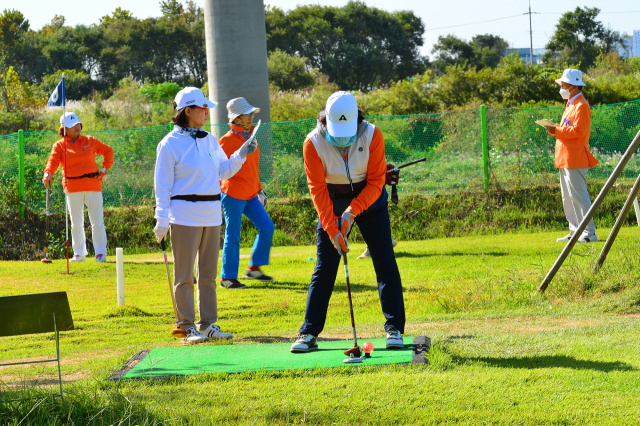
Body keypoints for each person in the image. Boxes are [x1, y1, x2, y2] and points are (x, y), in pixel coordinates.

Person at [290, 91, 406, 353]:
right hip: (332, 200)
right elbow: (317, 189)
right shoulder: (313, 142)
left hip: (370, 198)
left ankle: (394, 327)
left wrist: (352, 213)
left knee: (385, 260)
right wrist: (333, 228)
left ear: (357, 119)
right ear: (325, 120)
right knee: (325, 266)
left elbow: (377, 182)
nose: (343, 142)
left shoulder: (372, 134)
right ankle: (308, 332)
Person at [153, 87, 257, 343]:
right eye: (202, 107)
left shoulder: (209, 139)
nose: (207, 111)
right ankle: (187, 325)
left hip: (211, 214)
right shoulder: (169, 144)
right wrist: (162, 219)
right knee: (185, 275)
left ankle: (208, 324)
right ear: (188, 111)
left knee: (209, 274)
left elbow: (223, 171)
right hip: (184, 215)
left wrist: (241, 154)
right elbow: (162, 184)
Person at [218, 97, 275, 289]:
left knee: (267, 227)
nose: (251, 117)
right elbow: (219, 169)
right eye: (247, 114)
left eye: (251, 114)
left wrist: (259, 189)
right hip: (232, 194)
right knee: (233, 235)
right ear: (237, 119)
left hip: (251, 194)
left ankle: (253, 269)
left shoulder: (251, 137)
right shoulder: (226, 140)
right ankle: (227, 278)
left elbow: (253, 167)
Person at [43, 112, 114, 262]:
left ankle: (100, 253)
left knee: (97, 222)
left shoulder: (90, 140)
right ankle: (79, 254)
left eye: (78, 124)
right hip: (72, 186)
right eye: (72, 125)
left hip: (93, 184)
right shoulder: (59, 145)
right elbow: (53, 162)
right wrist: (47, 173)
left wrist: (104, 168)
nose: (77, 127)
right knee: (76, 223)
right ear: (64, 129)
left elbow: (108, 151)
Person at [542, 69, 599, 243]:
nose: (561, 88)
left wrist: (556, 129)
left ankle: (589, 233)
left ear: (574, 86)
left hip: (575, 157)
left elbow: (579, 131)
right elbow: (569, 127)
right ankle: (575, 231)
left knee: (579, 196)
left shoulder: (581, 105)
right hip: (566, 157)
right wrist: (555, 127)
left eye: (564, 85)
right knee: (568, 197)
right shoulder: (571, 104)